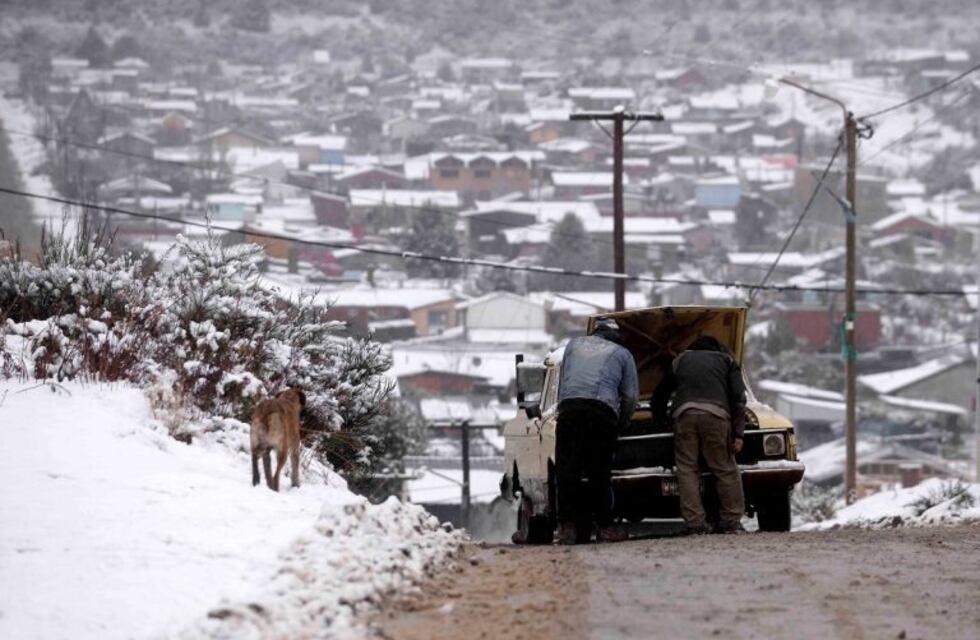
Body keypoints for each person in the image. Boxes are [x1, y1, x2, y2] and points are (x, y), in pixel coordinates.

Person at [554, 318, 638, 544]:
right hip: (601, 413)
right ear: (616, 336)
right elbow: (630, 396)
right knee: (598, 472)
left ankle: (567, 529)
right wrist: (622, 422)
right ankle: (604, 528)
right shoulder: (622, 354)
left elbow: (564, 380)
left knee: (566, 470)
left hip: (569, 410)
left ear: (595, 332)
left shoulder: (573, 345)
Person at [661, 335, 747, 535]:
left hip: (684, 416)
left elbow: (661, 393)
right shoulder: (726, 360)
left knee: (687, 469)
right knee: (724, 468)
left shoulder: (680, 360)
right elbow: (738, 398)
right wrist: (738, 433)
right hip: (716, 416)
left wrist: (662, 419)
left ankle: (695, 524)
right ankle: (732, 521)